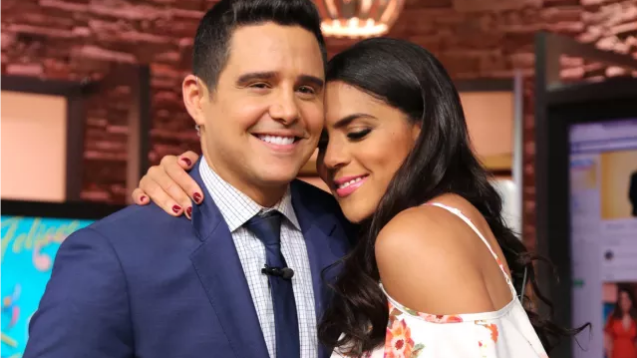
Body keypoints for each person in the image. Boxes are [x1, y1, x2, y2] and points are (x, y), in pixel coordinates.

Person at [133, 37, 590, 357]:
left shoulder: (412, 236)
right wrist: (197, 178)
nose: (332, 159)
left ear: (423, 128)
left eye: (358, 132)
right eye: (325, 142)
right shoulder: (456, 216)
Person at [24, 0, 354, 358]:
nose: (288, 111)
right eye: (260, 85)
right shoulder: (113, 255)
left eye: (306, 90)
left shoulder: (348, 230)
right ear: (197, 100)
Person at [604, 286, 637, 358]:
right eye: (622, 299)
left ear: (631, 300)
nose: (624, 302)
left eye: (627, 298)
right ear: (619, 302)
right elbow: (608, 341)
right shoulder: (612, 317)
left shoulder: (635, 318)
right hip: (616, 355)